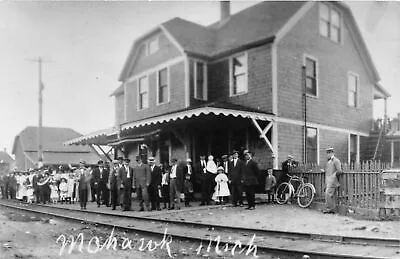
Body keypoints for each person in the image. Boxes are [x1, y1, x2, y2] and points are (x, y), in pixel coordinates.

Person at [321, 147, 343, 214]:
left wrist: (333, 176)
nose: (328, 154)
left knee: (328, 194)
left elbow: (339, 171)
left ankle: (329, 209)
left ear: (332, 153)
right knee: (329, 195)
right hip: (328, 181)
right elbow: (329, 170)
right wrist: (324, 171)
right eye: (327, 153)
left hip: (333, 181)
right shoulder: (328, 162)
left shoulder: (336, 161)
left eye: (329, 153)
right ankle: (331, 209)